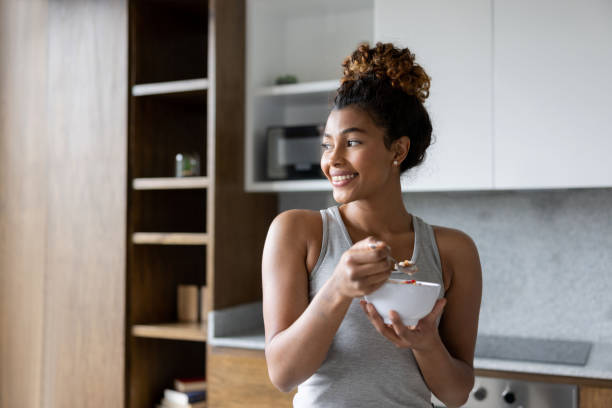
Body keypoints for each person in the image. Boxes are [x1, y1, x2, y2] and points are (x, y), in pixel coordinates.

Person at [262, 42, 482, 408]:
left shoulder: (453, 250)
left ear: (397, 151)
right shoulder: (298, 233)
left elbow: (456, 393)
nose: (332, 160)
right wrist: (337, 288)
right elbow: (283, 375)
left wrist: (426, 343)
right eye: (327, 144)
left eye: (351, 142)